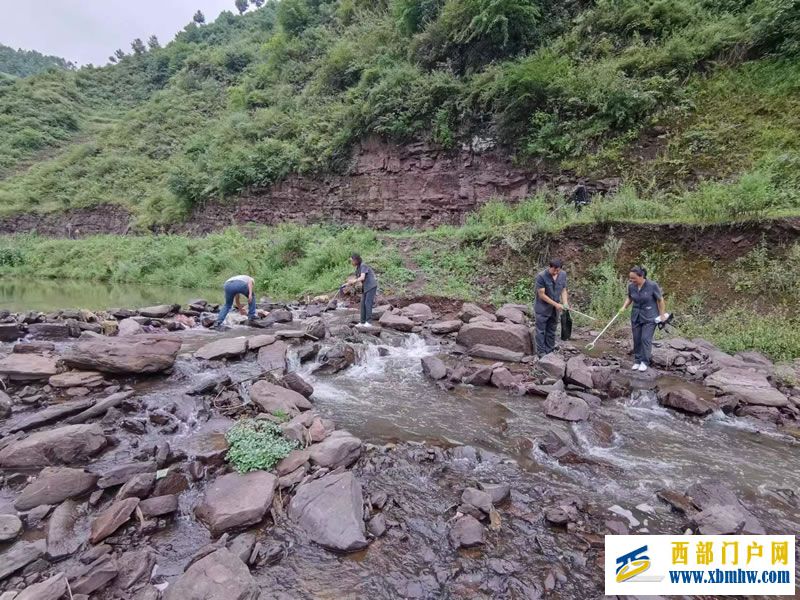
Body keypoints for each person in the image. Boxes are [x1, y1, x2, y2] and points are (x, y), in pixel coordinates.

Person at [620, 266, 668, 372]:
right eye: (630, 278)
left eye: (634, 278)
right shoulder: (631, 286)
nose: (631, 280)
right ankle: (637, 361)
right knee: (637, 339)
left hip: (650, 316)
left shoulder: (652, 286)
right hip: (636, 316)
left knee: (645, 339)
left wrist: (662, 315)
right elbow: (629, 297)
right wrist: (624, 307)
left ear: (641, 276)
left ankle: (644, 362)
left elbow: (660, 300)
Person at [534, 259, 569, 357]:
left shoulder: (563, 275)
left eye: (558, 270)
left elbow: (563, 290)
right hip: (542, 308)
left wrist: (565, 303)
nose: (556, 272)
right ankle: (541, 352)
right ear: (550, 267)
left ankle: (550, 351)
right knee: (540, 331)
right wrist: (556, 304)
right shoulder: (541, 276)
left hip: (554, 309)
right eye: (554, 270)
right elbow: (542, 295)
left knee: (552, 329)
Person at [347, 254, 378, 326]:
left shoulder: (363, 265)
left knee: (368, 303)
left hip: (371, 286)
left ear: (356, 260)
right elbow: (356, 279)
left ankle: (369, 322)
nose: (351, 263)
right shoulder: (358, 268)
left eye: (352, 261)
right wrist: (348, 283)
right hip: (365, 287)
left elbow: (362, 277)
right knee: (362, 304)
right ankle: (362, 322)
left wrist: (353, 281)